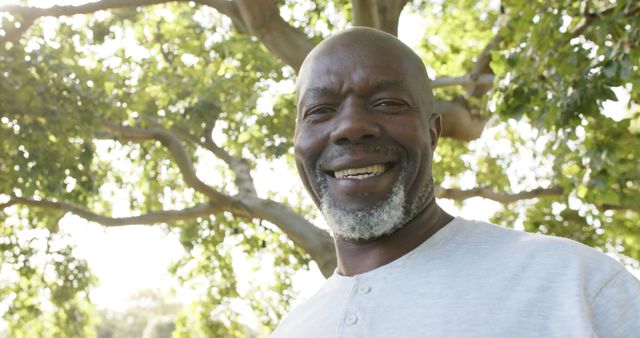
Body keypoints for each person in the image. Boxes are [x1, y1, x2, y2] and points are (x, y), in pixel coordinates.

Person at [270, 27, 640, 337]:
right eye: (319, 110)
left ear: (432, 134)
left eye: (387, 103)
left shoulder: (574, 284)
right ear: (298, 142)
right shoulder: (292, 329)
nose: (351, 127)